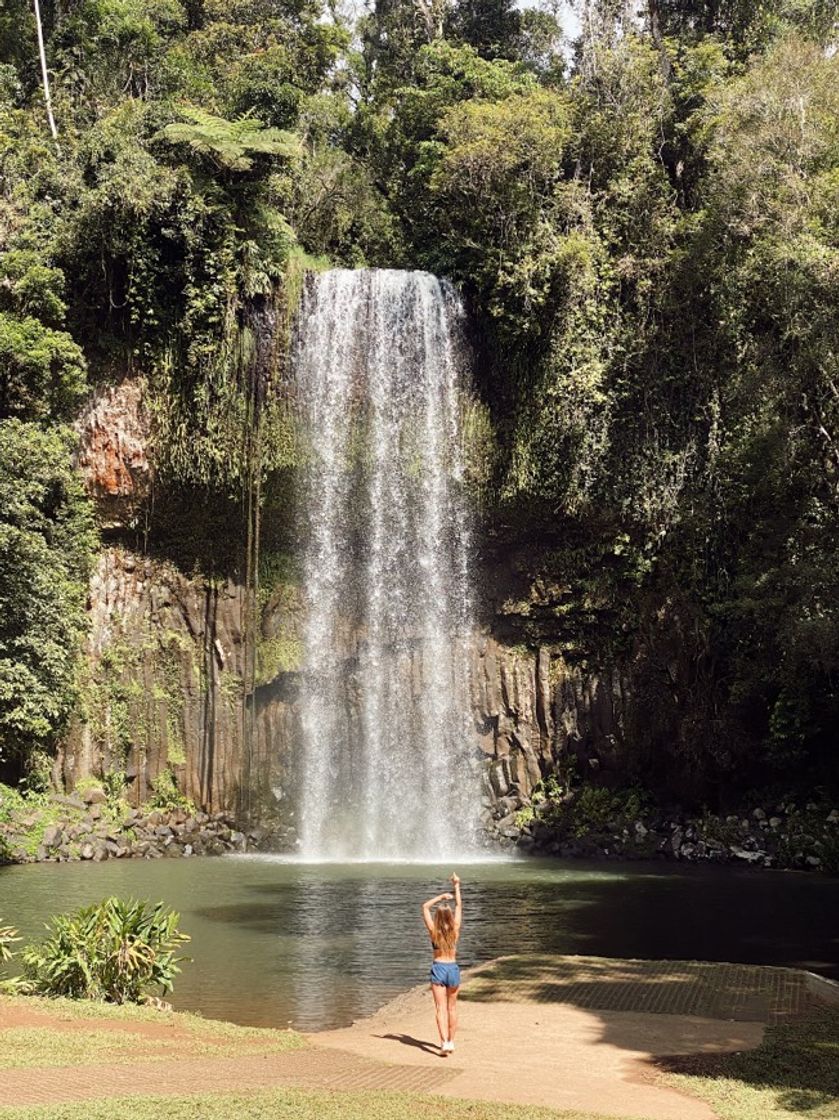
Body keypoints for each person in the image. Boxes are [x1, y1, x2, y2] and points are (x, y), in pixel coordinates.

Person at [421, 872, 462, 1056]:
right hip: (452, 968)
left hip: (438, 968)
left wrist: (441, 897)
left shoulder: (433, 931)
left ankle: (443, 1042)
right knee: (452, 1007)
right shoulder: (455, 930)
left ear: (437, 918)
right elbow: (459, 905)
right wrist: (456, 886)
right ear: (450, 918)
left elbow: (425, 907)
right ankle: (452, 1042)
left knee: (440, 1008)